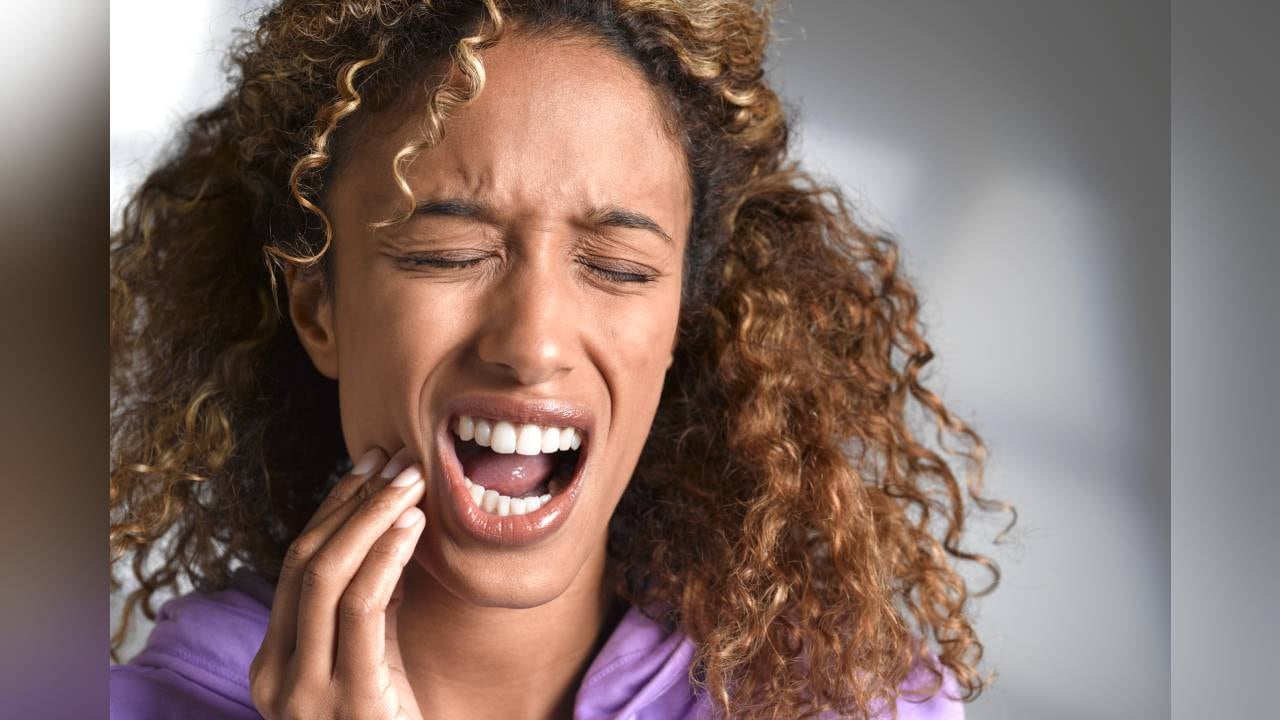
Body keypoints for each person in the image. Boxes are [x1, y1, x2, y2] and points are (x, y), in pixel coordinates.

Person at [109, 1, 1011, 718]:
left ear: (678, 330)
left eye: (617, 268)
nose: (533, 344)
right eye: (448, 255)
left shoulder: (855, 708)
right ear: (319, 310)